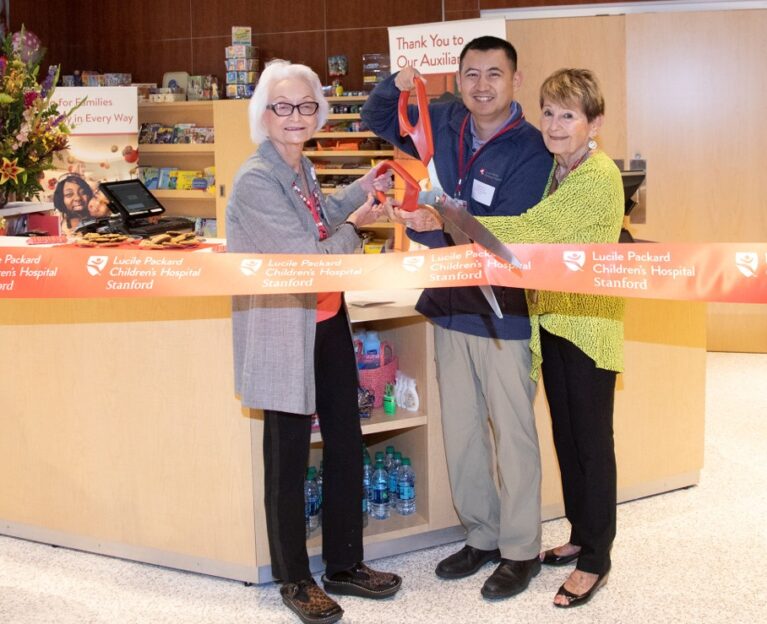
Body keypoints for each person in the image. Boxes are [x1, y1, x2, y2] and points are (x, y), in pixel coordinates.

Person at [398, 68, 624, 608]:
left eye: (568, 115)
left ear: (593, 123)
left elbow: (534, 230)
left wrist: (455, 214)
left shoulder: (598, 175)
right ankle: (580, 536)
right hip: (554, 325)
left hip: (588, 330)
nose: (554, 124)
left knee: (592, 445)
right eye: (548, 112)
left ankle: (597, 559)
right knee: (567, 439)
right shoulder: (557, 171)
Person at [362, 36, 553, 600]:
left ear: (515, 80)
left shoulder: (533, 148)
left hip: (504, 313)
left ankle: (521, 549)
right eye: (471, 74)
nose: (481, 86)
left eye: (494, 74)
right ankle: (483, 535)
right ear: (459, 79)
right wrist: (395, 85)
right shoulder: (444, 116)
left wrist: (427, 222)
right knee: (464, 433)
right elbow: (380, 118)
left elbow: (501, 228)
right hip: (449, 306)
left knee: (513, 435)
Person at [226, 59, 402, 624]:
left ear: (318, 113)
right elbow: (308, 256)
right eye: (283, 106)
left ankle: (345, 563)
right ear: (264, 114)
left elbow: (317, 217)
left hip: (325, 322)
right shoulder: (256, 178)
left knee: (347, 440)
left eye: (306, 106)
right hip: (285, 328)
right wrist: (359, 226)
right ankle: (295, 578)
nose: (295, 116)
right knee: (288, 454)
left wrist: (359, 191)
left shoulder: (298, 166)